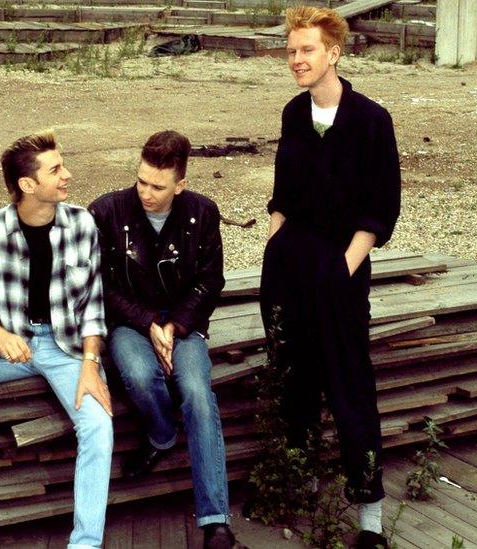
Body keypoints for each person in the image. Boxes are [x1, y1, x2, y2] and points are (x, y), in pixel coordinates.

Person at [0, 131, 113, 549]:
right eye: (56, 169)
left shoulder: (82, 224)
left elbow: (95, 307)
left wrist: (90, 365)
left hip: (66, 350)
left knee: (99, 426)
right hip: (12, 348)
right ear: (28, 185)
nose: (68, 175)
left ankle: (85, 543)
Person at [261, 7, 401, 549]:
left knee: (350, 389)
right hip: (289, 266)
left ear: (334, 53)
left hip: (340, 268)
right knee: (292, 378)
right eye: (291, 51)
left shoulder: (371, 120)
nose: (297, 60)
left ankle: (369, 519)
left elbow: (381, 209)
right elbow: (283, 194)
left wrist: (345, 267)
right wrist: (274, 244)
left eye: (307, 50)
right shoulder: (295, 114)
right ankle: (299, 482)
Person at [89, 130, 235, 549]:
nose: (146, 193)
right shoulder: (106, 211)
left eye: (158, 185)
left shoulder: (203, 213)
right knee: (137, 372)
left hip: (183, 325)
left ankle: (215, 519)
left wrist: (174, 326)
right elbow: (98, 283)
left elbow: (211, 279)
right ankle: (162, 436)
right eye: (141, 181)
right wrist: (148, 321)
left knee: (196, 392)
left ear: (180, 184)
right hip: (129, 322)